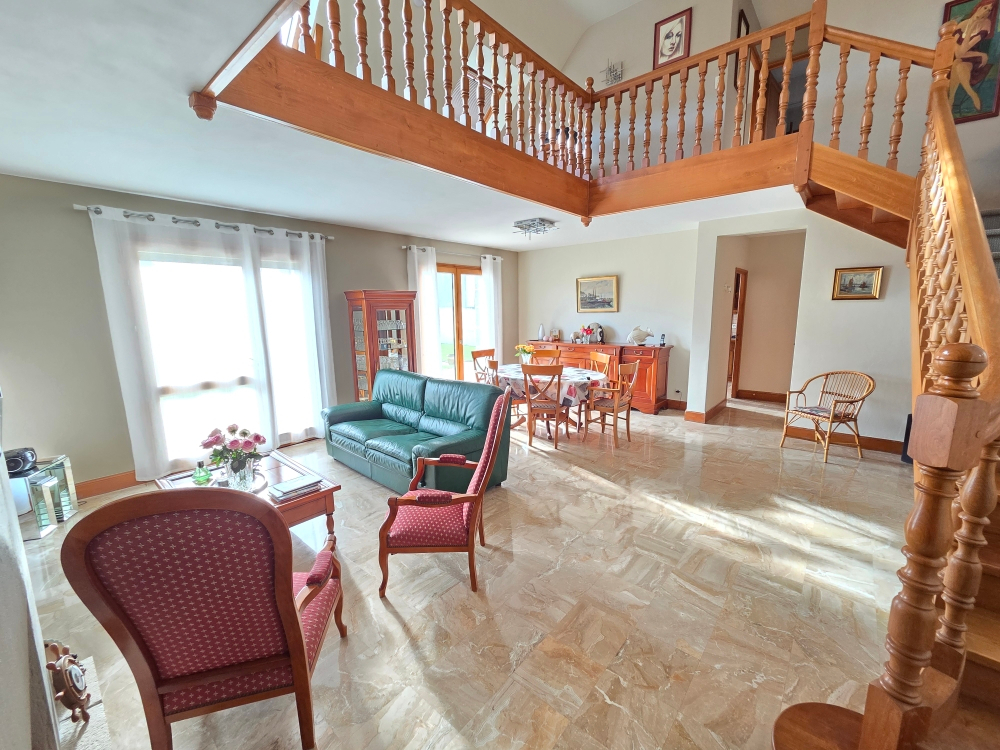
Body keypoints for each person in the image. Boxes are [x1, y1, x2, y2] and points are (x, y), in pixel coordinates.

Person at [950, 0, 997, 112]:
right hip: (968, 56)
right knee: (957, 63)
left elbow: (965, 49)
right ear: (979, 7)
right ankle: (972, 94)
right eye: (985, 8)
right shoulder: (962, 24)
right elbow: (957, 53)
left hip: (975, 59)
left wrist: (972, 25)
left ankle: (951, 99)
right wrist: (971, 24)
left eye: (989, 10)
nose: (987, 12)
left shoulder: (986, 23)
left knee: (958, 63)